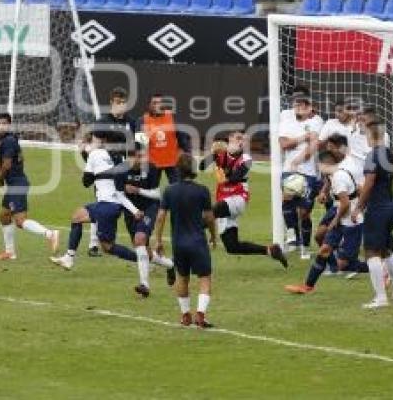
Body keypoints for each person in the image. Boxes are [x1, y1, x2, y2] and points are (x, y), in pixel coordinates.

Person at [50, 132, 145, 288]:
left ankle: (143, 260)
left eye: (93, 139)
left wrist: (90, 164)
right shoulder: (120, 158)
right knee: (76, 217)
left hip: (107, 206)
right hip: (112, 204)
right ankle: (69, 257)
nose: (91, 141)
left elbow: (86, 182)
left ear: (102, 140)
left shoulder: (96, 153)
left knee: (108, 247)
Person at [286, 134, 366, 295]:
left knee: (347, 264)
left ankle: (382, 267)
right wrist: (324, 192)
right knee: (324, 248)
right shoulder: (335, 172)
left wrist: (336, 220)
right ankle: (308, 286)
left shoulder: (343, 173)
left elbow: (346, 202)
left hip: (351, 219)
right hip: (340, 212)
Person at [200, 130, 287, 267]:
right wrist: (213, 155)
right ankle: (270, 250)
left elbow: (235, 177)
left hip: (237, 199)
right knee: (232, 246)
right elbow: (201, 166)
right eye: (238, 138)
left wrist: (220, 167)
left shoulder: (246, 159)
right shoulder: (220, 154)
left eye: (243, 140)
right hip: (224, 201)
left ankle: (187, 230)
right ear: (229, 139)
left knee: (210, 213)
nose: (241, 142)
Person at [154, 154, 218, 328]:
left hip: (178, 242)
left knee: (182, 277)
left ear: (178, 170)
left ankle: (185, 315)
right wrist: (213, 235)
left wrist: (158, 240)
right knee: (205, 278)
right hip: (197, 241)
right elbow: (209, 217)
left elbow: (160, 217)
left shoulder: (169, 190)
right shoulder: (202, 190)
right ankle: (201, 314)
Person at [0, 113, 59, 261]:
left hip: (17, 184)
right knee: (4, 216)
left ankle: (50, 234)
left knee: (20, 221)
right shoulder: (11, 139)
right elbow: (18, 160)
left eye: (4, 123)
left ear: (9, 125)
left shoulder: (7, 141)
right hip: (16, 183)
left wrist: (0, 178)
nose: (1, 126)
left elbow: (8, 164)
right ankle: (10, 252)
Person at [81, 87, 137, 257]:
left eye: (123, 102)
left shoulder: (131, 122)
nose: (121, 105)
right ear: (111, 102)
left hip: (122, 168)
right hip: (104, 167)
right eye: (118, 102)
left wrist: (131, 164)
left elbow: (134, 147)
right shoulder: (103, 121)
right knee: (102, 202)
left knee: (121, 202)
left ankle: (136, 239)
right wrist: (86, 151)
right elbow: (95, 148)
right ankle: (93, 244)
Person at [356, 120, 393, 309]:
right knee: (386, 250)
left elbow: (369, 183)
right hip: (389, 205)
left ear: (371, 135)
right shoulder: (389, 154)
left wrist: (359, 206)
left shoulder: (372, 155)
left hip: (376, 209)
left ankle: (380, 298)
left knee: (371, 253)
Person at [122, 142, 176, 294]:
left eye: (143, 156)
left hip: (149, 208)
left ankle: (144, 285)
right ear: (129, 157)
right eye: (138, 156)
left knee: (139, 239)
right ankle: (170, 265)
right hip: (131, 211)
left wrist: (138, 190)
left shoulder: (151, 168)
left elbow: (157, 194)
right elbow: (118, 193)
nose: (142, 159)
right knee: (145, 251)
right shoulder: (121, 170)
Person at [278, 87, 324, 254]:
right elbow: (283, 144)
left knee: (304, 212)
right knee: (287, 198)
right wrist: (303, 137)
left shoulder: (317, 120)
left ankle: (304, 246)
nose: (298, 104)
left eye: (302, 101)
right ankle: (291, 236)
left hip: (309, 171)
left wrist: (300, 157)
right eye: (296, 101)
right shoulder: (285, 116)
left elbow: (314, 145)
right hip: (289, 169)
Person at [137, 93, 190, 185]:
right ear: (149, 105)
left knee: (177, 189)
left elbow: (183, 137)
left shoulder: (172, 117)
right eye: (154, 103)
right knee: (151, 189)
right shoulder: (142, 121)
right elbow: (140, 144)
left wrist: (187, 152)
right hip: (153, 163)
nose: (157, 105)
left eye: (160, 103)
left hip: (172, 161)